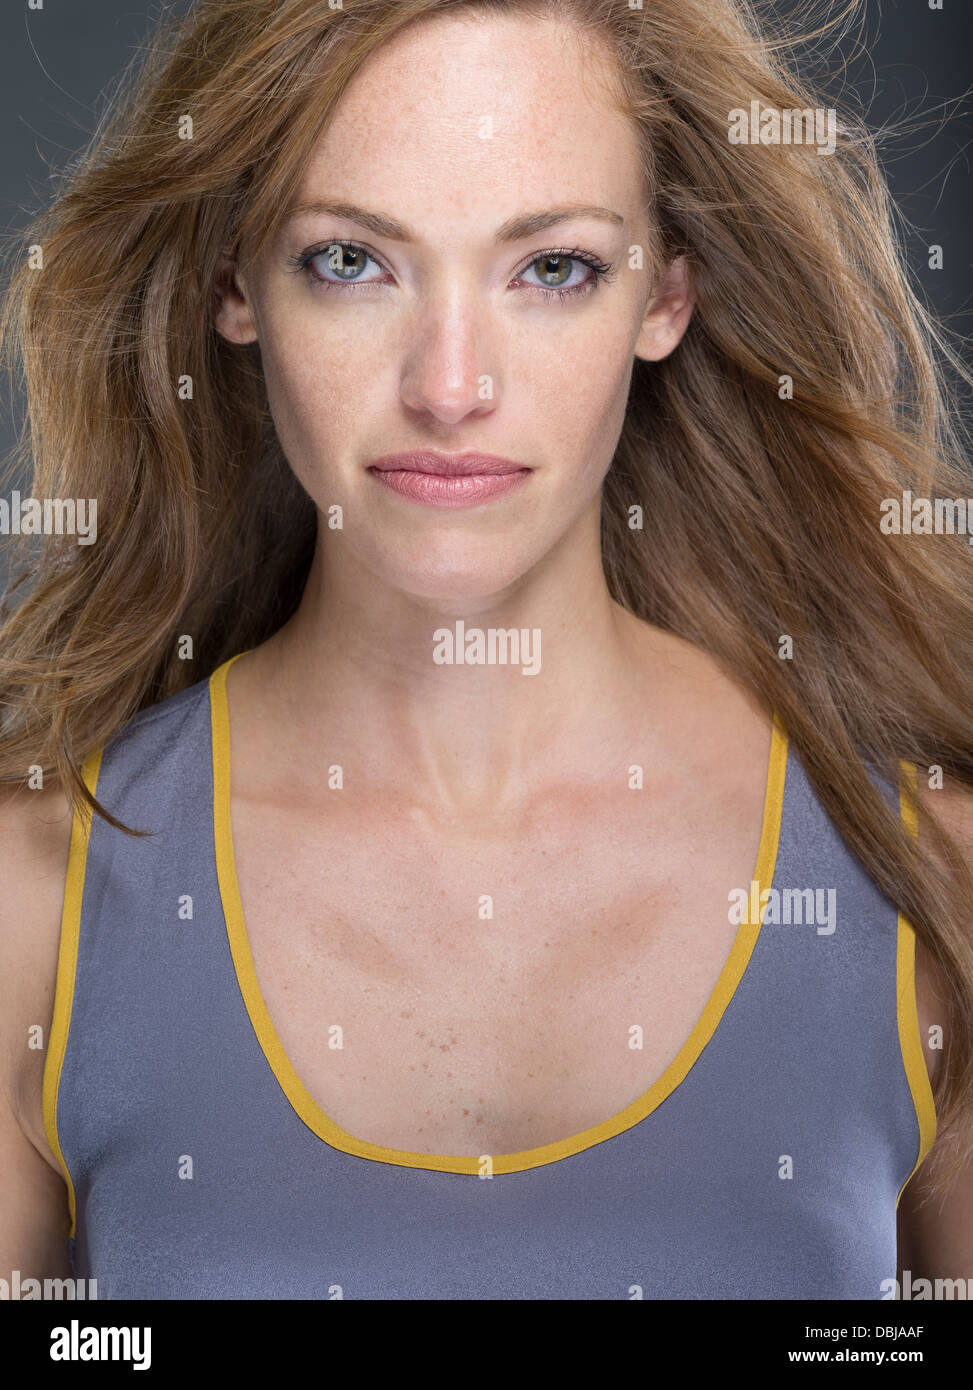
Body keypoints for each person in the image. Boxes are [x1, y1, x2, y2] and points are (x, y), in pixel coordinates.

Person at [0, 0, 971, 1300]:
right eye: (350, 260)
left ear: (665, 293)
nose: (448, 386)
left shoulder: (929, 885)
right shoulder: (37, 904)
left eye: (551, 266)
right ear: (236, 285)